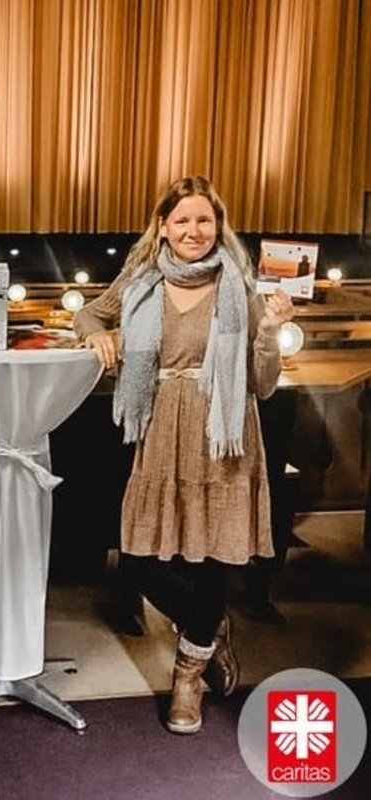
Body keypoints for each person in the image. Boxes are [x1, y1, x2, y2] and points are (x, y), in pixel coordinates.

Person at [74, 175, 295, 734]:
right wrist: (94, 335)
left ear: (218, 225)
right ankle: (208, 629)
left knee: (214, 558)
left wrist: (269, 331)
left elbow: (263, 383)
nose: (194, 230)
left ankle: (188, 677)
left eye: (204, 220)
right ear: (163, 227)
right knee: (141, 559)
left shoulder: (239, 284)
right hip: (161, 431)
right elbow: (89, 314)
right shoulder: (141, 279)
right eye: (182, 220)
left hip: (224, 433)